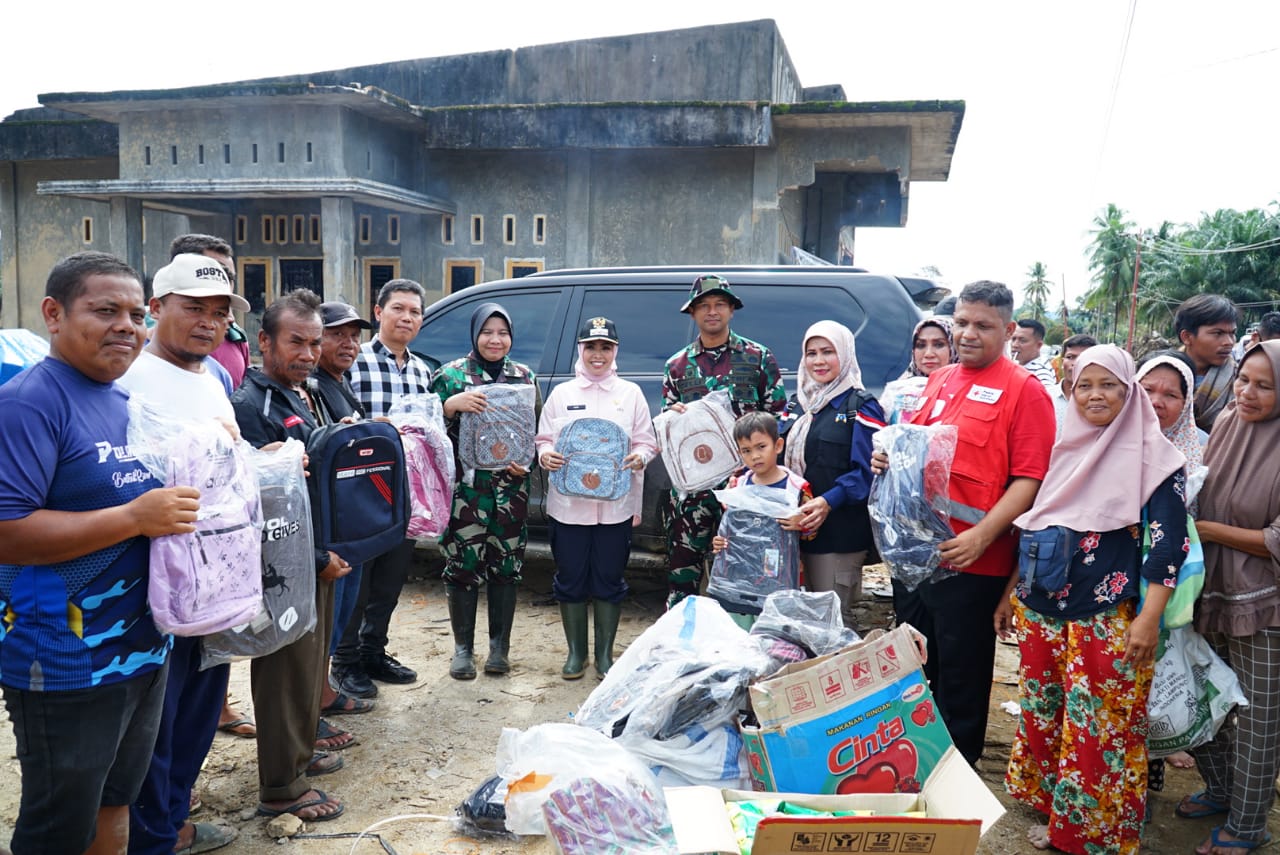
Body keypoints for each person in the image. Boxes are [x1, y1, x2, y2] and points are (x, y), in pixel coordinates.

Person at [0, 252, 200, 855]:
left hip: (144, 649)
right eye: (105, 310)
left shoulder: (122, 402)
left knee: (117, 801)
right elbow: (8, 530)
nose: (127, 327)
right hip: (66, 660)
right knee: (59, 825)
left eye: (137, 314)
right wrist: (134, 518)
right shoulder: (28, 404)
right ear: (54, 314)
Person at [1002, 344, 1187, 855]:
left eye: (1109, 385)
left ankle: (1087, 833)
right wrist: (1011, 594)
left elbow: (1169, 547)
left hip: (1107, 616)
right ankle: (1054, 809)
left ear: (1129, 392)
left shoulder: (1155, 458)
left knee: (1100, 728)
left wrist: (1148, 620)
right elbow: (1034, 527)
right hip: (1041, 609)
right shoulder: (1062, 448)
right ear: (1071, 391)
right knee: (1045, 713)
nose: (1095, 395)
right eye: (1084, 385)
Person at [872, 280, 1055, 768]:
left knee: (961, 675)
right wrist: (887, 459)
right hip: (919, 555)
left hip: (974, 559)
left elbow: (1030, 479)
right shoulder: (941, 380)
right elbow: (916, 448)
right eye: (962, 322)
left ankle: (958, 770)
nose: (968, 334)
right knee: (916, 665)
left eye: (983, 325)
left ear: (1009, 331)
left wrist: (983, 535)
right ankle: (916, 761)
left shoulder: (1026, 392)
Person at [119, 254, 248, 855]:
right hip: (153, 588)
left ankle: (173, 822)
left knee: (198, 714)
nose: (208, 322)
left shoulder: (214, 378)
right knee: (155, 723)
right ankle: (151, 837)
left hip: (214, 582)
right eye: (193, 308)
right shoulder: (127, 378)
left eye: (219, 313)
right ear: (156, 307)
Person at [230, 289, 352, 822]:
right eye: (295, 342)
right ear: (264, 341)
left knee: (308, 664)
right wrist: (317, 555)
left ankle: (301, 753)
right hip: (283, 561)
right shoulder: (250, 405)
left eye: (314, 343)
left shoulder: (303, 394)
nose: (308, 354)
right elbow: (262, 504)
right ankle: (281, 787)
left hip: (314, 553)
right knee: (283, 670)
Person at [1179, 340, 1280, 855]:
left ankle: (1248, 824)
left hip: (1264, 603)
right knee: (1206, 697)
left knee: (1259, 717)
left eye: (1265, 386)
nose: (1247, 393)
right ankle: (1220, 789)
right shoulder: (1225, 424)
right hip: (1210, 589)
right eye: (1243, 380)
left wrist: (1211, 532)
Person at [534, 317, 657, 678]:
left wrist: (641, 457)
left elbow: (646, 441)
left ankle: (604, 656)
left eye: (606, 347)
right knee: (570, 577)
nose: (598, 354)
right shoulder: (563, 394)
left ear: (615, 351)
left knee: (609, 577)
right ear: (581, 350)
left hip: (615, 508)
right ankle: (576, 655)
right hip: (568, 508)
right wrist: (545, 455)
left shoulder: (630, 394)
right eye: (591, 347)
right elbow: (544, 439)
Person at [660, 274, 786, 606]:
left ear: (731, 310)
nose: (712, 311)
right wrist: (674, 416)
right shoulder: (676, 366)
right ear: (692, 313)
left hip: (746, 488)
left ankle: (741, 633)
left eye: (719, 304)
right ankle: (682, 631)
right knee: (682, 575)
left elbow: (779, 417)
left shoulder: (758, 357)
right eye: (703, 305)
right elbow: (669, 431)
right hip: (693, 492)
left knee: (747, 572)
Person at [431, 303, 539, 679]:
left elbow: (534, 432)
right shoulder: (450, 376)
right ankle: (463, 650)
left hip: (511, 490)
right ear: (475, 334)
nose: (496, 340)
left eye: (503, 333)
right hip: (467, 492)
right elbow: (426, 435)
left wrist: (527, 462)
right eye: (487, 332)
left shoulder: (524, 377)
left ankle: (499, 649)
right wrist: (449, 406)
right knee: (463, 565)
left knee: (506, 566)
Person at [334, 279, 431, 698]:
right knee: (359, 581)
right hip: (362, 491)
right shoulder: (354, 361)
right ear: (378, 313)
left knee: (390, 581)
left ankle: (374, 651)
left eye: (414, 311)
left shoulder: (423, 370)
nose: (406, 317)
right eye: (398, 309)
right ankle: (345, 661)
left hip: (405, 491)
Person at [780, 321, 884, 629]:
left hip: (838, 535)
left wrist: (828, 501)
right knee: (802, 622)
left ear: (845, 354)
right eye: (811, 353)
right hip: (794, 533)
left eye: (828, 352)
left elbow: (869, 474)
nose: (819, 361)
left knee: (834, 621)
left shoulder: (860, 406)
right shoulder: (798, 405)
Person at [313, 302, 377, 739]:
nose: (348, 344)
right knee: (324, 619)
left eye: (354, 336)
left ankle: (323, 692)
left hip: (348, 521)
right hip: (327, 527)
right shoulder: (314, 388)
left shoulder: (340, 383)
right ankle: (313, 699)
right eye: (337, 334)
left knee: (339, 615)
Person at [710, 411, 813, 627]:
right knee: (739, 633)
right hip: (739, 579)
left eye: (761, 447)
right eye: (746, 451)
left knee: (772, 634)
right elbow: (729, 528)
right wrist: (719, 542)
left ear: (778, 445)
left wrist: (802, 524)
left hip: (778, 579)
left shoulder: (796, 488)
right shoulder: (737, 486)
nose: (755, 456)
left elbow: (812, 532)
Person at [169, 234, 250, 391]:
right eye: (195, 309)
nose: (222, 281)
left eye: (229, 277)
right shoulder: (138, 349)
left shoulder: (236, 337)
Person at [1175, 294, 1239, 433]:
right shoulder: (1161, 374)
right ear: (1187, 337)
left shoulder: (1240, 380)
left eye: (1232, 333)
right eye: (1218, 333)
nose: (1229, 342)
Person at [1050, 334, 1097, 433]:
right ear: (1062, 362)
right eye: (1070, 357)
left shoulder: (1099, 401)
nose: (1075, 363)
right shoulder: (1046, 396)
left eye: (1083, 358)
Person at [1010, 318, 1057, 391]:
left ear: (1039, 345)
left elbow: (1047, 395)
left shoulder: (1041, 373)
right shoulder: (1018, 364)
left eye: (1022, 341)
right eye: (1013, 339)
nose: (1015, 345)